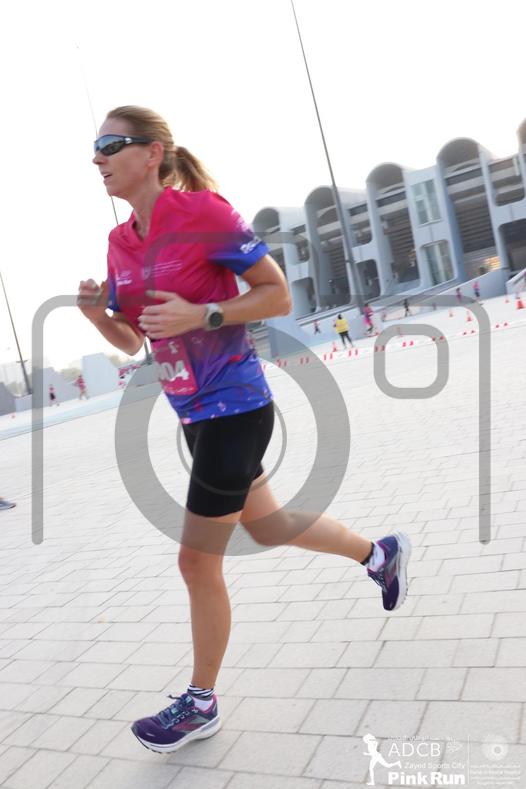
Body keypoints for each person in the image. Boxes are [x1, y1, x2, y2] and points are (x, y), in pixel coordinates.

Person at [78, 105, 411, 756]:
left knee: (195, 560)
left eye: (110, 145)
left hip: (236, 405)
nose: (97, 158)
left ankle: (200, 703)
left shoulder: (204, 214)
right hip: (192, 416)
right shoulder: (120, 242)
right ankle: (380, 553)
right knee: (271, 525)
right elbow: (132, 339)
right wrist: (97, 316)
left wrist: (204, 313)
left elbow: (276, 294)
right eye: (95, 148)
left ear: (152, 153)